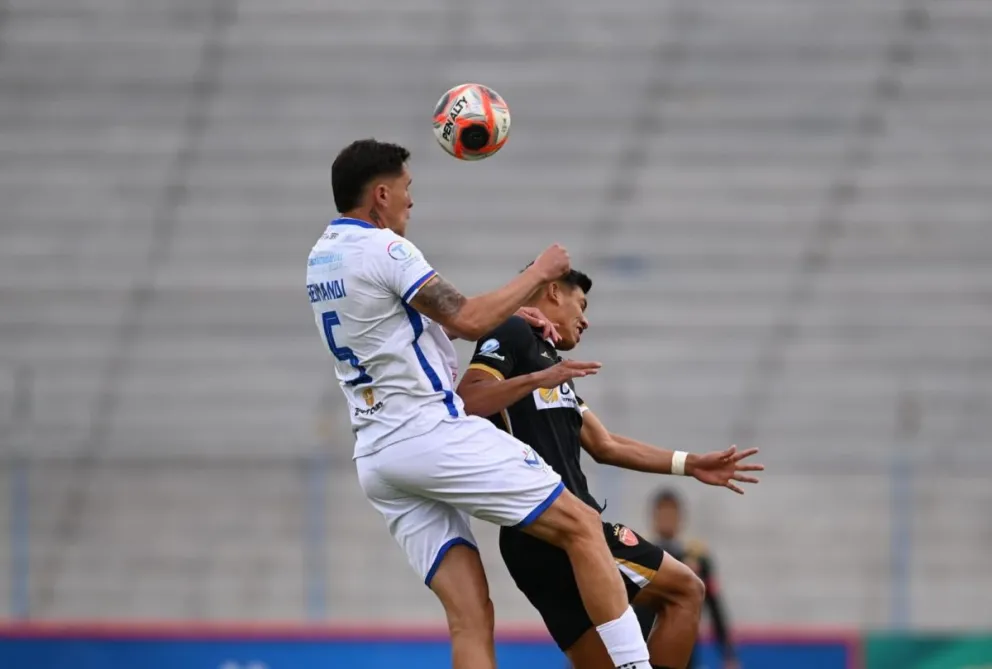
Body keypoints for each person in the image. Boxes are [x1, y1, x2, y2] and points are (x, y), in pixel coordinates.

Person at [306, 138, 656, 669]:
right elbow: (465, 318)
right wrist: (538, 275)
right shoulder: (385, 249)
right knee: (582, 522)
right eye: (406, 190)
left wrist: (514, 314)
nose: (410, 202)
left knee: (470, 613)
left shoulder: (322, 257)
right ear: (380, 195)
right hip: (429, 432)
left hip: (377, 453)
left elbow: (430, 318)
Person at [456, 266, 763, 669]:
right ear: (551, 292)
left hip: (533, 541)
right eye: (580, 304)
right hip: (562, 525)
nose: (586, 319)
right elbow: (469, 397)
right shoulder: (514, 333)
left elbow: (605, 443)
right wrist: (537, 378)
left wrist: (690, 464)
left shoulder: (552, 366)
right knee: (686, 591)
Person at [635, 490, 739, 669]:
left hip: (683, 647)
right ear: (653, 516)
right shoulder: (638, 554)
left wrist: (727, 653)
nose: (667, 518)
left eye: (671, 513)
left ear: (680, 517)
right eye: (662, 513)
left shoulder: (696, 557)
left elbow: (714, 605)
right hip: (641, 648)